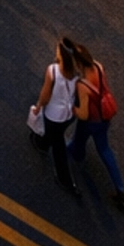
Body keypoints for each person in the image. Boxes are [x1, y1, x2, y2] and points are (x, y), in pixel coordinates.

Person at [68, 40, 124, 207]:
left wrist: (71, 108)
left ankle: (74, 155)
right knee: (104, 149)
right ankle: (120, 187)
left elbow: (83, 114)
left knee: (78, 140)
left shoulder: (82, 85)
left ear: (79, 63)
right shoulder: (99, 67)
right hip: (104, 118)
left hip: (90, 122)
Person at [32, 39, 80, 193]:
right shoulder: (77, 74)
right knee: (55, 134)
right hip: (68, 115)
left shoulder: (53, 71)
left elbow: (46, 95)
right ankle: (42, 143)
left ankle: (64, 178)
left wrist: (39, 106)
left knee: (58, 147)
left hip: (54, 115)